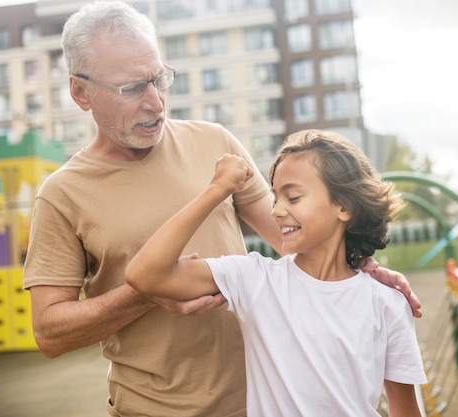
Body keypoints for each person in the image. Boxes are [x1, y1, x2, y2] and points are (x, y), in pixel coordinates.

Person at [22, 2, 422, 416]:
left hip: (258, 404)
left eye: (159, 79)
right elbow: (50, 334)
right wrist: (149, 293)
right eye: (131, 88)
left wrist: (364, 266)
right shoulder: (62, 194)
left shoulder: (215, 142)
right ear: (80, 92)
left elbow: (294, 233)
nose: (156, 102)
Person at [126, 130, 428, 416]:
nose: (276, 211)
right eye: (275, 198)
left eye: (293, 198)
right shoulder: (254, 280)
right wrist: (217, 190)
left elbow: (405, 409)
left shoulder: (388, 301)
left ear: (344, 207)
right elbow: (145, 274)